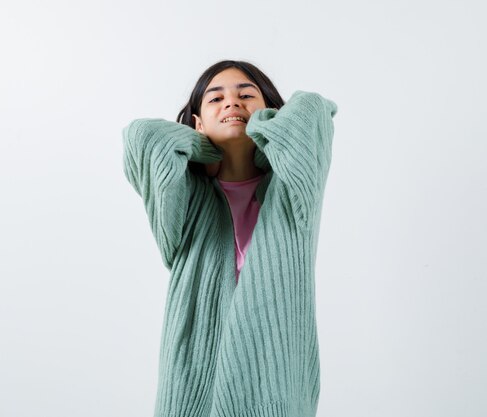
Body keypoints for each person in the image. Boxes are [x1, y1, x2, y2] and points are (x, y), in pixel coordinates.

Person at [122, 60, 337, 417]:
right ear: (197, 122)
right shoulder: (184, 199)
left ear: (271, 113)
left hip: (274, 390)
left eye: (246, 94)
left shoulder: (295, 188)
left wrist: (261, 130)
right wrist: (204, 147)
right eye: (216, 98)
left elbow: (314, 111)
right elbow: (141, 137)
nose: (232, 102)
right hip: (192, 392)